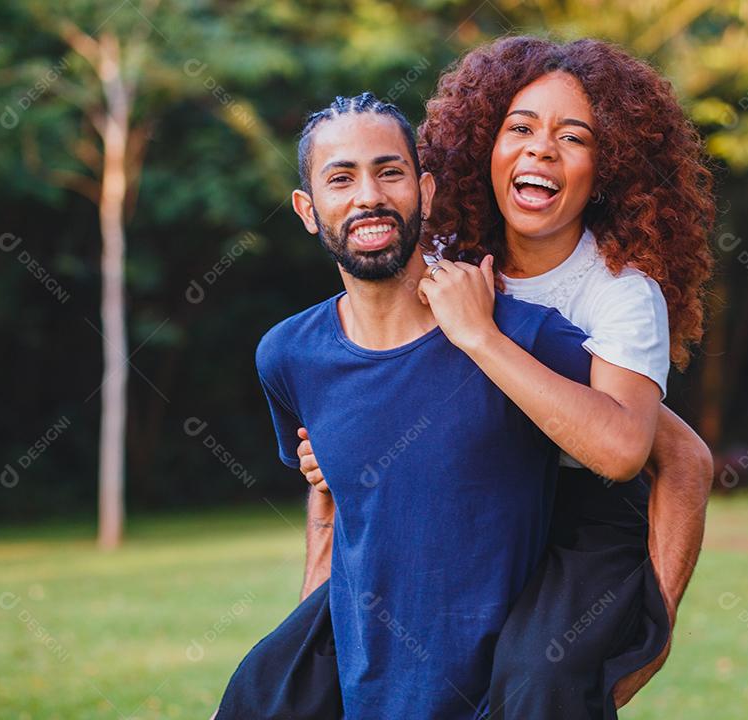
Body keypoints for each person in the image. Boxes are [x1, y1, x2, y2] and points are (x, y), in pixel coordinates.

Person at [296, 36, 716, 718]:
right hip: (466, 503)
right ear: (485, 146)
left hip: (577, 520)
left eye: (572, 137)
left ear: (604, 167)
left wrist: (651, 636)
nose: (541, 150)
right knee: (279, 680)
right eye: (519, 128)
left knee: (535, 682)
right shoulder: (436, 256)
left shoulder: (617, 294)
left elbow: (658, 456)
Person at [214, 93, 595, 720]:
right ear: (309, 211)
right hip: (363, 698)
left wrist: (633, 651)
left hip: (502, 701)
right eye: (341, 178)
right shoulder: (288, 355)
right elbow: (330, 497)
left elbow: (652, 454)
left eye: (389, 171)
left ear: (424, 189)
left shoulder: (523, 336)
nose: (369, 195)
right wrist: (302, 661)